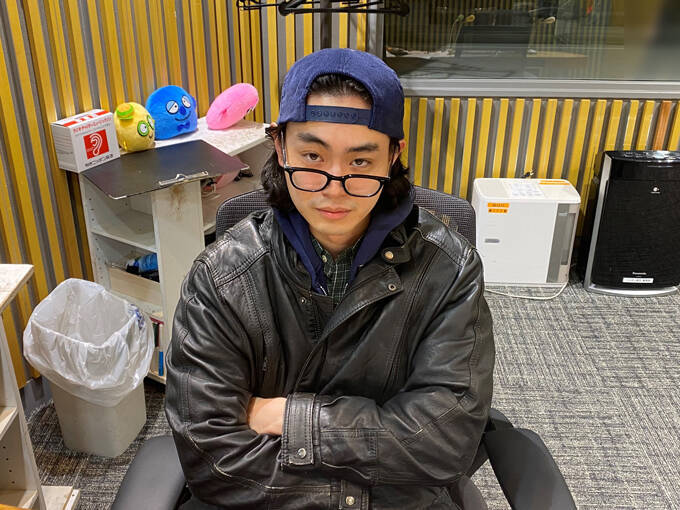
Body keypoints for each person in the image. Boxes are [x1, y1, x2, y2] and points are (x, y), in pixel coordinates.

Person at [165, 48, 495, 510]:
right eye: (313, 156)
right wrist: (360, 487)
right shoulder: (221, 277)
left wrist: (291, 419)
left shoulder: (448, 270)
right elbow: (212, 458)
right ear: (280, 147)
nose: (334, 185)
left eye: (360, 162)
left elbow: (445, 441)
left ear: (393, 156)